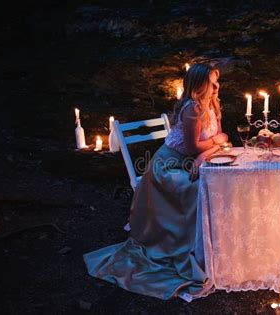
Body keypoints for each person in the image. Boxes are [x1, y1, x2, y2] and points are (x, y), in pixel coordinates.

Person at [83, 63, 228, 300]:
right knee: (195, 188)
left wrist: (205, 153)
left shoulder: (211, 104)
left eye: (216, 81)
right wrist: (213, 144)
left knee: (214, 183)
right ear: (198, 86)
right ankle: (186, 251)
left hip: (190, 160)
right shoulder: (192, 109)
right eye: (211, 82)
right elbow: (197, 145)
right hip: (168, 165)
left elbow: (212, 141)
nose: (216, 86)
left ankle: (213, 247)